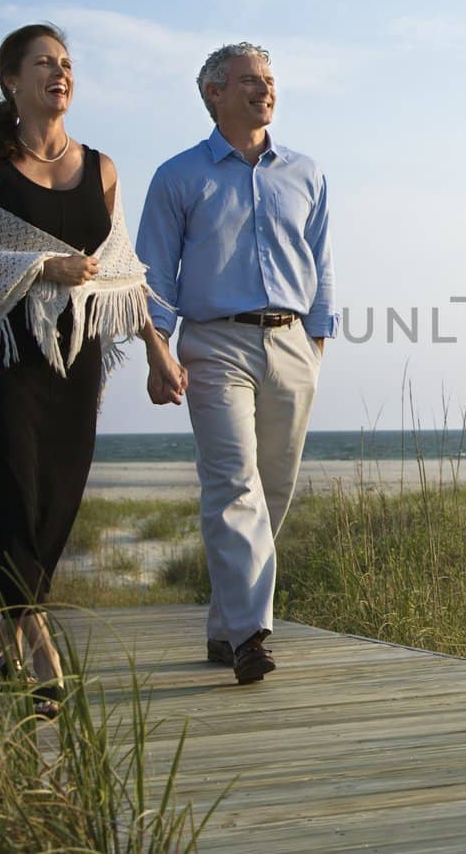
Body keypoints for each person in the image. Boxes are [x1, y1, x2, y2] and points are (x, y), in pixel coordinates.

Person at [0, 22, 178, 718]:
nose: (60, 73)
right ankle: (39, 642)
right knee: (13, 488)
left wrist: (158, 350)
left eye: (67, 63)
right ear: (11, 80)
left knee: (59, 497)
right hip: (5, 355)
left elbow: (124, 272)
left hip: (72, 358)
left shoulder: (101, 168)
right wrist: (42, 263)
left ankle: (2, 627)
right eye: (44, 62)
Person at [136, 42, 336, 685]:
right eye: (249, 81)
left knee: (272, 491)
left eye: (269, 80)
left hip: (292, 343)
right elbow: (153, 272)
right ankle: (254, 635)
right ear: (213, 93)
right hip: (214, 344)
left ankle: (226, 625)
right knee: (234, 485)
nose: (264, 90)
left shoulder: (306, 172)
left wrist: (317, 342)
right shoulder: (177, 176)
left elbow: (322, 263)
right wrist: (156, 347)